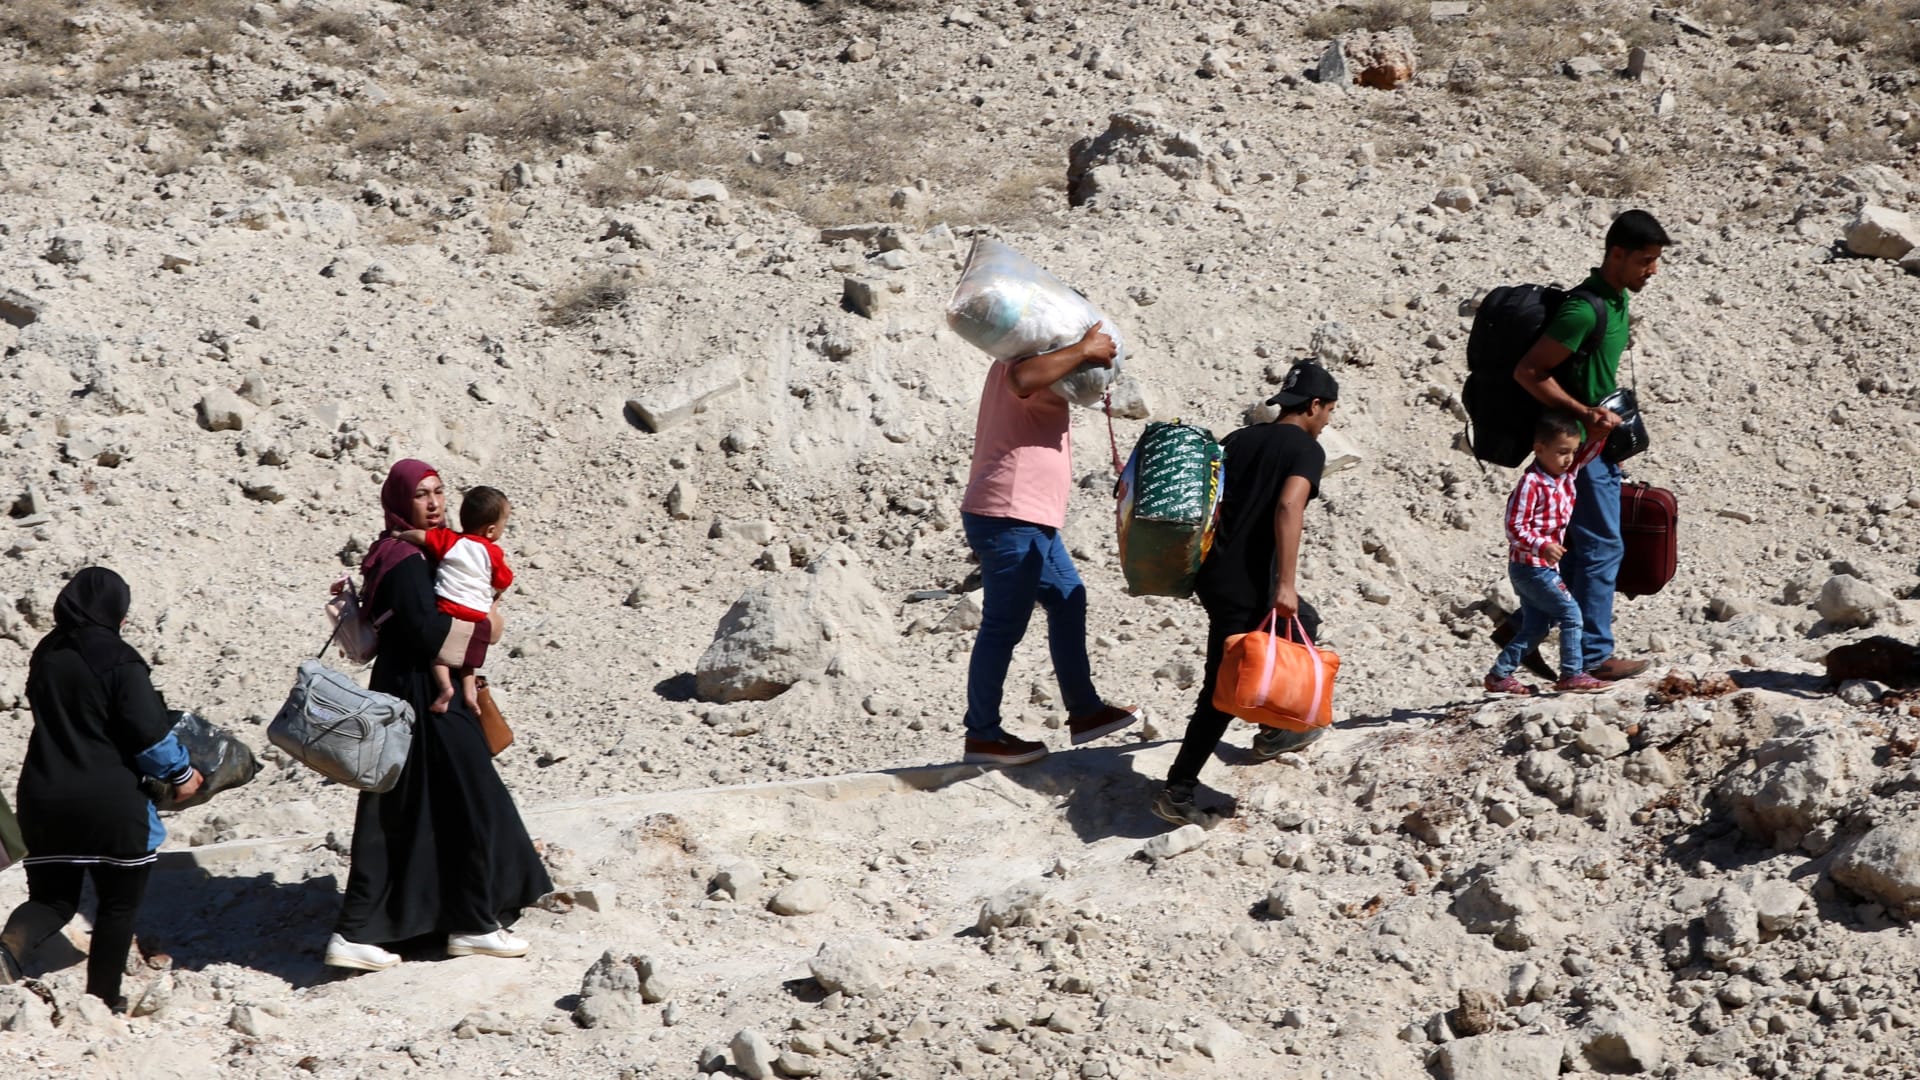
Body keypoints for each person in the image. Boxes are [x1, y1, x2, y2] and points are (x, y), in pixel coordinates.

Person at [325, 459, 551, 972]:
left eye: (439, 492)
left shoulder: (421, 550)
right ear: (401, 503)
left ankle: (383, 928)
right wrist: (487, 632)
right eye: (421, 495)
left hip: (419, 693)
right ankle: (469, 924)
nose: (433, 503)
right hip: (422, 698)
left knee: (410, 813)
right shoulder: (402, 557)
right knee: (467, 801)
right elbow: (426, 633)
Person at [0, 567, 205, 1011]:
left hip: (42, 798)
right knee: (116, 906)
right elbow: (149, 735)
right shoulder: (119, 659)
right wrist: (183, 776)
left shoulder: (45, 655)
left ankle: (7, 950)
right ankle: (102, 1001)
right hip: (111, 805)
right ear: (115, 611)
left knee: (52, 900)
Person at [1153, 362, 1338, 826]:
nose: (1329, 421)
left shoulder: (1239, 439)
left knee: (1304, 625)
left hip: (1213, 575)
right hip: (1250, 584)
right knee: (1223, 688)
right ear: (1314, 406)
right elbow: (1288, 504)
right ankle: (1178, 789)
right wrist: (1286, 584)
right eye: (1329, 411)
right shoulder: (1307, 450)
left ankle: (1275, 728)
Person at [959, 322, 1140, 765]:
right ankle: (982, 735)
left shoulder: (1036, 362)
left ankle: (1086, 712)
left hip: (1028, 517)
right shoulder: (1022, 362)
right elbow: (1023, 380)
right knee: (1003, 626)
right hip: (1009, 515)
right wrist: (1083, 348)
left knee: (1067, 598)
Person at [1503, 208, 1670, 683]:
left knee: (1575, 551)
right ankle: (1594, 655)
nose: (1652, 270)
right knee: (1602, 547)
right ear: (1616, 254)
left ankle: (1521, 631)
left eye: (1656, 260)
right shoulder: (1584, 309)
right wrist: (1584, 415)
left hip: (1596, 448)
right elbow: (1529, 372)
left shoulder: (1616, 301)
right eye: (1645, 260)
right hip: (1581, 450)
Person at [1485, 412, 1612, 696]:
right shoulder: (1531, 484)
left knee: (1535, 628)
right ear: (1539, 449)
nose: (1569, 458)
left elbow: (1586, 454)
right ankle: (1572, 673)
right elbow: (1514, 526)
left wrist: (1601, 433)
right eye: (1562, 452)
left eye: (1572, 452)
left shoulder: (1565, 475)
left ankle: (1499, 675)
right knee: (1571, 614)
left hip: (1542, 568)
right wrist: (1542, 545)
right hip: (1531, 567)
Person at [397, 484, 513, 714]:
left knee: (440, 659)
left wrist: (400, 534)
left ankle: (445, 688)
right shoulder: (493, 552)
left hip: (450, 610)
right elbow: (503, 581)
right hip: (479, 616)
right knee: (467, 662)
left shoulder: (449, 539)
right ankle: (470, 695)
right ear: (490, 531)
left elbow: (421, 537)